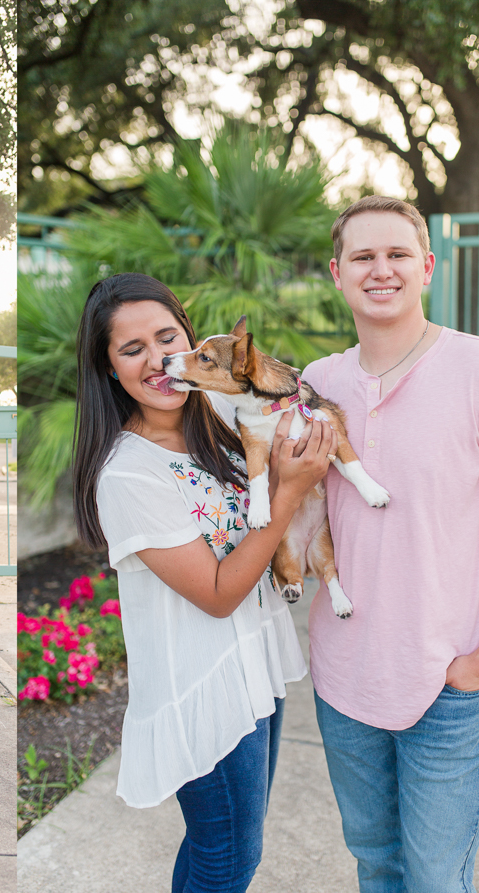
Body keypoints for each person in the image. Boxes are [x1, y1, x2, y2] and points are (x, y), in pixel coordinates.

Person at [301, 195, 479, 892]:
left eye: (396, 255)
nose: (379, 270)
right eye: (363, 256)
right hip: (344, 679)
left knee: (438, 879)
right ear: (337, 272)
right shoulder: (318, 383)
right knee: (377, 866)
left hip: (446, 683)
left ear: (427, 266)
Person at [72, 272, 338, 893]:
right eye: (132, 349)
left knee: (219, 845)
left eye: (168, 338)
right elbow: (219, 594)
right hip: (204, 685)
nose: (160, 360)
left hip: (255, 668)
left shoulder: (219, 413)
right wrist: (287, 490)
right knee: (230, 856)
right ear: (109, 369)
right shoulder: (128, 474)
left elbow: (297, 396)